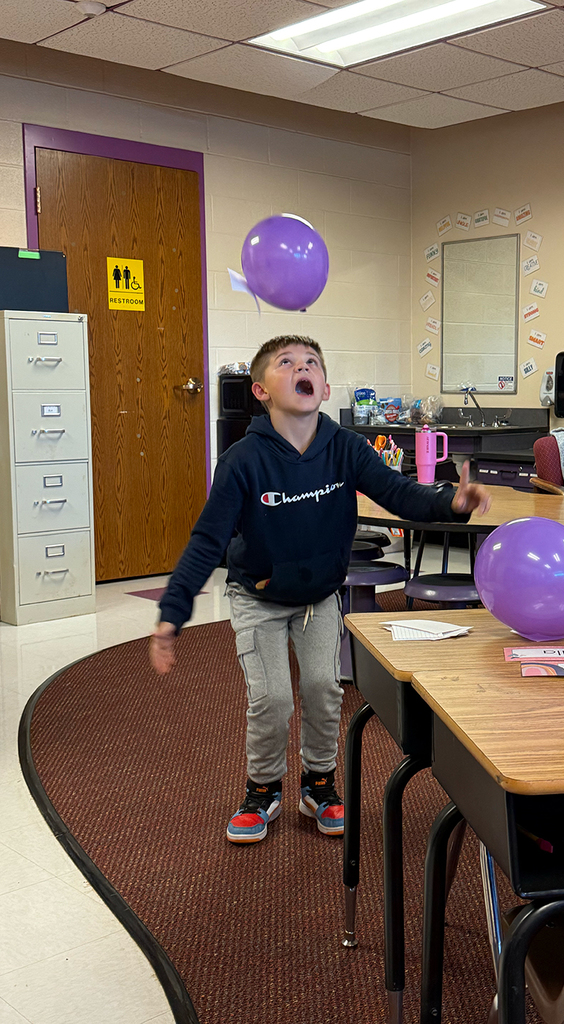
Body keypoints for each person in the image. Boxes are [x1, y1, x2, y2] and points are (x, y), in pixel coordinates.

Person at [149, 335, 491, 845]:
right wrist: (172, 614)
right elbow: (206, 542)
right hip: (258, 597)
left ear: (324, 386)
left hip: (318, 598)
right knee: (271, 699)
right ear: (261, 390)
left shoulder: (346, 447)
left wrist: (450, 503)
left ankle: (319, 784)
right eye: (285, 363)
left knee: (323, 691)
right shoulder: (243, 460)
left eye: (311, 363)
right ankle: (262, 789)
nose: (300, 368)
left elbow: (400, 495)